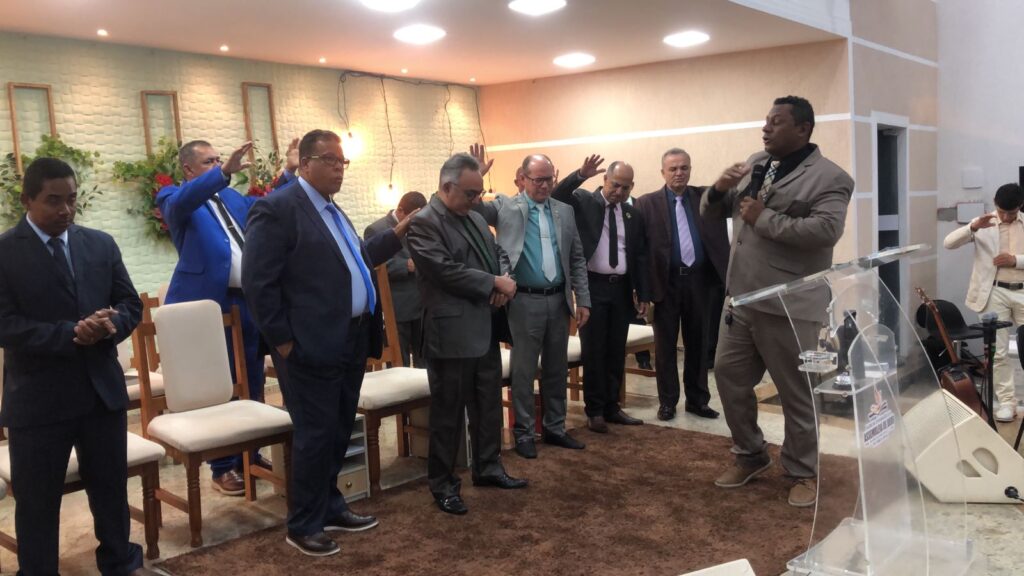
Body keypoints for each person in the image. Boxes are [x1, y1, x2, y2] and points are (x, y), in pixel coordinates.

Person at [242, 129, 410, 556]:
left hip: (349, 338)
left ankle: (331, 506)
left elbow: (358, 259)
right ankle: (303, 524)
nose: (339, 169)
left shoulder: (333, 210)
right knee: (315, 434)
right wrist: (283, 343)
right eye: (331, 160)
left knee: (338, 429)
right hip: (308, 344)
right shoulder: (277, 208)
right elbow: (258, 283)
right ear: (305, 163)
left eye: (342, 162)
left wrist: (397, 234)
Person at [0, 158, 156, 575]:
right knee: (37, 503)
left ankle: (121, 563)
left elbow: (130, 303)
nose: (65, 210)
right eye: (53, 201)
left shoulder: (100, 244)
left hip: (100, 392)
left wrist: (109, 326)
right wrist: (70, 333)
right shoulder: (5, 251)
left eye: (71, 200)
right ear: (27, 199)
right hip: (38, 400)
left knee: (110, 490)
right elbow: (5, 324)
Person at [702, 95, 853, 508]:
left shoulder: (830, 177)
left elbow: (825, 231)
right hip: (741, 300)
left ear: (803, 129)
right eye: (766, 120)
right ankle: (750, 453)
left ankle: (802, 471)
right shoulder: (756, 163)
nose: (765, 128)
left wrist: (763, 218)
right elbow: (715, 212)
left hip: (790, 304)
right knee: (728, 378)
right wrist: (719, 189)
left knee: (795, 393)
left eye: (777, 122)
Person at [156, 137, 298, 495]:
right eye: (209, 161)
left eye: (218, 159)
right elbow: (182, 203)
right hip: (208, 306)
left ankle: (249, 454)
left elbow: (269, 206)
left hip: (246, 301)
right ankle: (222, 468)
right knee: (219, 386)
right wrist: (222, 173)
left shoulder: (232, 198)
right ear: (188, 169)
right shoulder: (174, 197)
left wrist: (289, 172)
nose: (218, 165)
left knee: (252, 377)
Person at [407, 153, 527, 516]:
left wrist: (502, 281)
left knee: (487, 404)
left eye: (479, 193)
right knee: (448, 414)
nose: (477, 201)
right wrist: (492, 283)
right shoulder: (424, 223)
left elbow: (498, 252)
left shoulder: (473, 216)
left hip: (485, 324)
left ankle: (488, 467)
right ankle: (443, 484)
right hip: (450, 334)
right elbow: (444, 270)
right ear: (447, 187)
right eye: (471, 194)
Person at [473, 150, 591, 458]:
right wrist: (477, 175)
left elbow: (577, 258)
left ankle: (555, 427)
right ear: (523, 179)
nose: (545, 185)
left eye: (549, 179)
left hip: (559, 299)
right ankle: (524, 432)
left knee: (556, 368)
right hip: (524, 300)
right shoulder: (505, 206)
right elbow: (472, 208)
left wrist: (583, 299)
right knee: (524, 371)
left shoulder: (564, 211)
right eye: (538, 180)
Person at [552, 157, 651, 433]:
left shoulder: (632, 214)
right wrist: (579, 175)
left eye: (626, 188)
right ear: (605, 180)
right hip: (592, 287)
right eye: (615, 185)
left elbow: (640, 255)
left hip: (621, 288)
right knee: (594, 350)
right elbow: (557, 196)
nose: (619, 192)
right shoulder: (585, 202)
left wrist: (643, 292)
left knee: (616, 349)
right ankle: (594, 410)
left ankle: (612, 406)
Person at [634, 148, 729, 421]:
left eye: (684, 168)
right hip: (665, 284)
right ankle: (667, 402)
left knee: (699, 343)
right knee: (665, 348)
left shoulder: (704, 198)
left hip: (700, 282)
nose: (679, 173)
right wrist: (641, 291)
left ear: (690, 169)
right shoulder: (646, 204)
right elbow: (639, 251)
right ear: (662, 172)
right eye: (673, 169)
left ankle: (698, 401)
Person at [943, 182, 1024, 422]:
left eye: (1011, 212)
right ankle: (1007, 403)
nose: (1005, 217)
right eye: (1002, 211)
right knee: (998, 352)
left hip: (1022, 290)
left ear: (1020, 206)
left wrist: (1016, 260)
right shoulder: (983, 224)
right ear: (995, 204)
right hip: (993, 292)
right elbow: (949, 243)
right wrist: (971, 227)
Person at [364, 191, 429, 368]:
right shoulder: (376, 229)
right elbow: (372, 263)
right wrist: (405, 265)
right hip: (397, 307)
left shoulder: (423, 226)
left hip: (422, 304)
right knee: (400, 362)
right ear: (400, 210)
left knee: (425, 362)